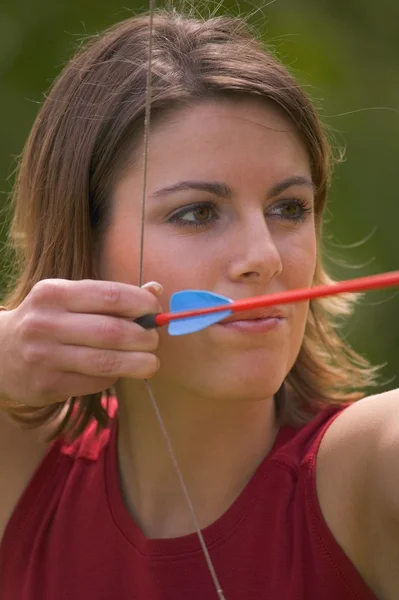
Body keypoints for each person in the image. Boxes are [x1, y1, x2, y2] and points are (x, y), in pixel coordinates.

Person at [0, 8, 397, 600]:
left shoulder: (365, 468)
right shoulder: (23, 464)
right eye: (197, 213)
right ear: (83, 246)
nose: (263, 255)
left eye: (289, 208)